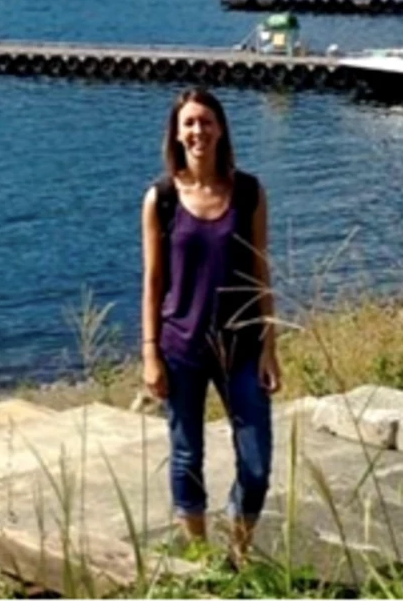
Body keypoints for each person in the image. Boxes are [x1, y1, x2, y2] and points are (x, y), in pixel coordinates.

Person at [141, 88, 281, 559]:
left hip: (242, 347)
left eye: (206, 121)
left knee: (257, 463)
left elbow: (262, 269)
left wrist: (269, 346)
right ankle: (201, 559)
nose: (198, 131)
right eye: (189, 124)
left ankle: (237, 552)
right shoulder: (161, 198)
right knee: (186, 456)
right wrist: (150, 353)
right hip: (181, 348)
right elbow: (154, 280)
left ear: (220, 128)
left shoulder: (248, 192)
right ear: (177, 135)